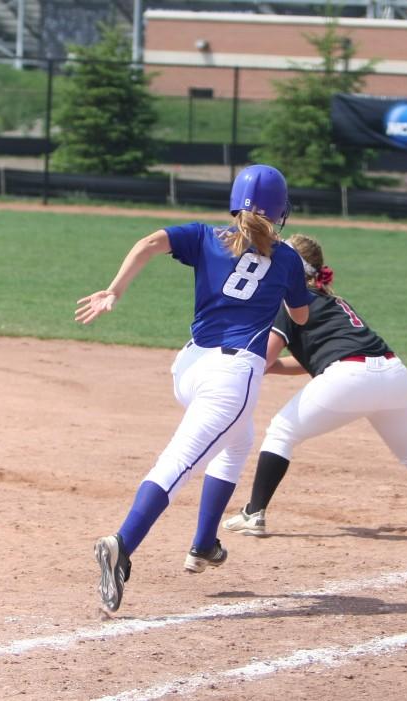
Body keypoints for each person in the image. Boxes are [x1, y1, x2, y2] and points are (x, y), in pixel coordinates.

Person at [75, 164, 313, 613]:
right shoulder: (286, 259)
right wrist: (301, 284)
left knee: (239, 440)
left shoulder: (206, 236)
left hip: (189, 366)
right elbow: (300, 318)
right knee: (181, 461)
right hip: (232, 374)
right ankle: (121, 545)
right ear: (282, 212)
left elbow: (149, 242)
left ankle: (204, 544)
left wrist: (113, 291)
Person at [221, 233, 407, 540]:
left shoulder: (290, 302)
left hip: (349, 377)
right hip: (391, 373)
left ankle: (254, 513)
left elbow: (266, 355)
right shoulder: (335, 300)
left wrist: (237, 358)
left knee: (280, 432)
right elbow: (312, 360)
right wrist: (271, 367)